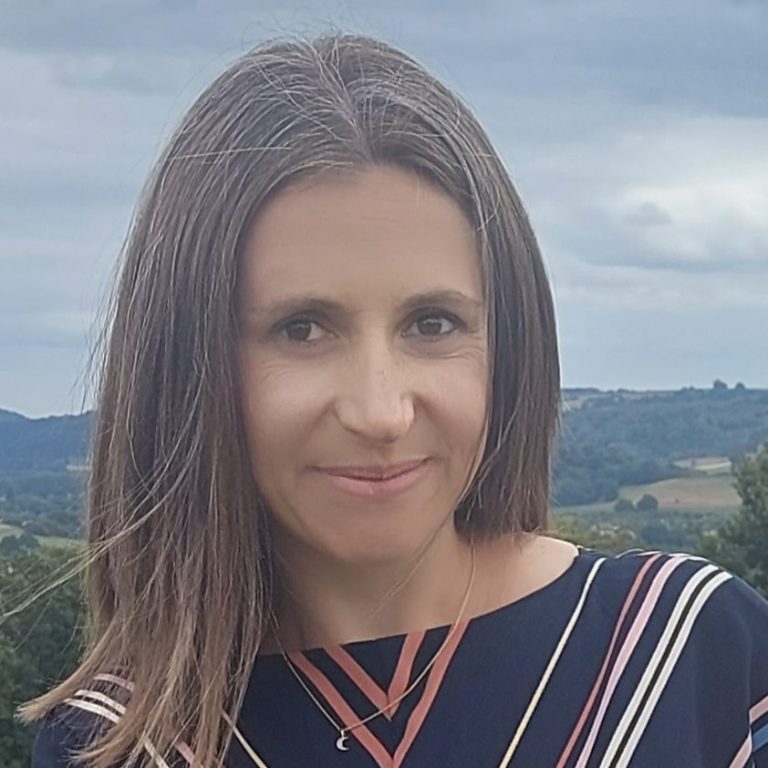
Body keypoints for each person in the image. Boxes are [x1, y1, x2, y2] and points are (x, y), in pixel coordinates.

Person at [23, 32, 768, 768]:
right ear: (187, 368)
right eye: (302, 328)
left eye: (432, 323)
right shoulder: (120, 744)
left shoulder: (693, 657)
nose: (381, 413)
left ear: (510, 344)